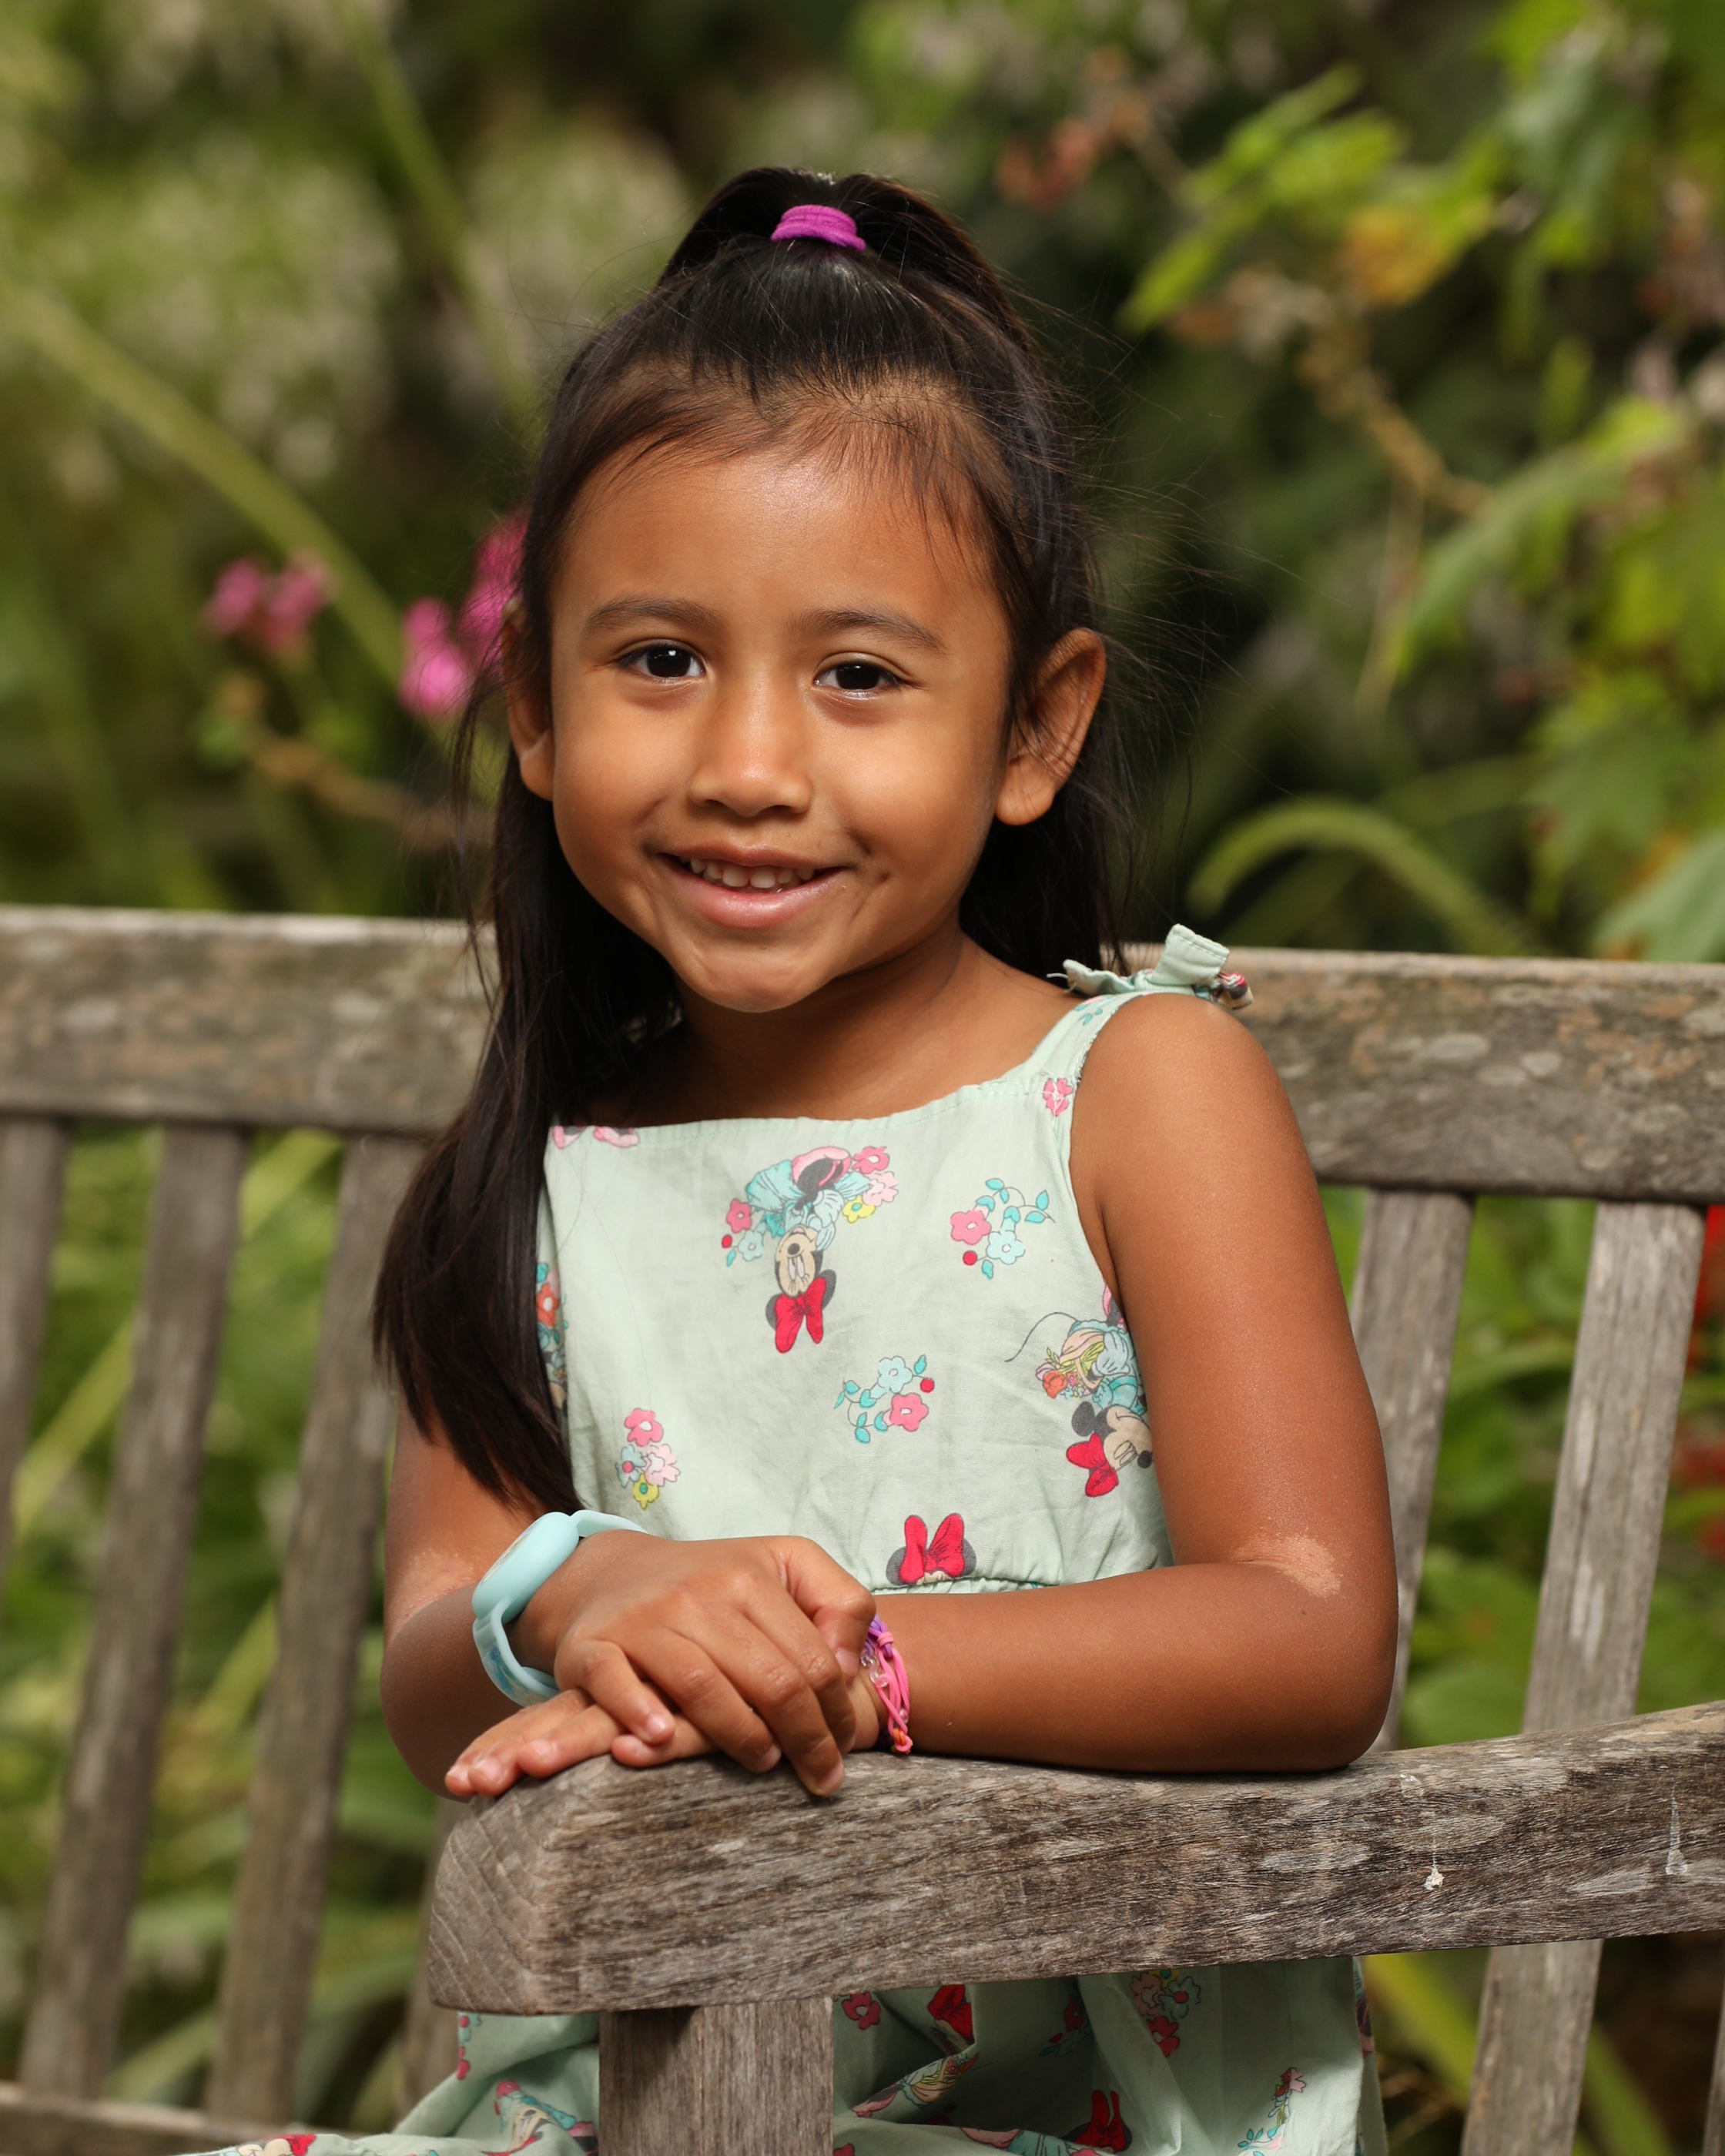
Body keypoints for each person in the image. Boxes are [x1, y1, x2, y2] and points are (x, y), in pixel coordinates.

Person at [199, 167, 1397, 2156]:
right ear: (532, 708)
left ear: (1034, 728)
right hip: (639, 2102)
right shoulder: (545, 1174)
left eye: (857, 676)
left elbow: (1308, 1626)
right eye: (661, 661)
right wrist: (582, 1596)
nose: (749, 765)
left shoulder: (1140, 1096)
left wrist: (836, 1660)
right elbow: (434, 1651)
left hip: (1063, 2116)